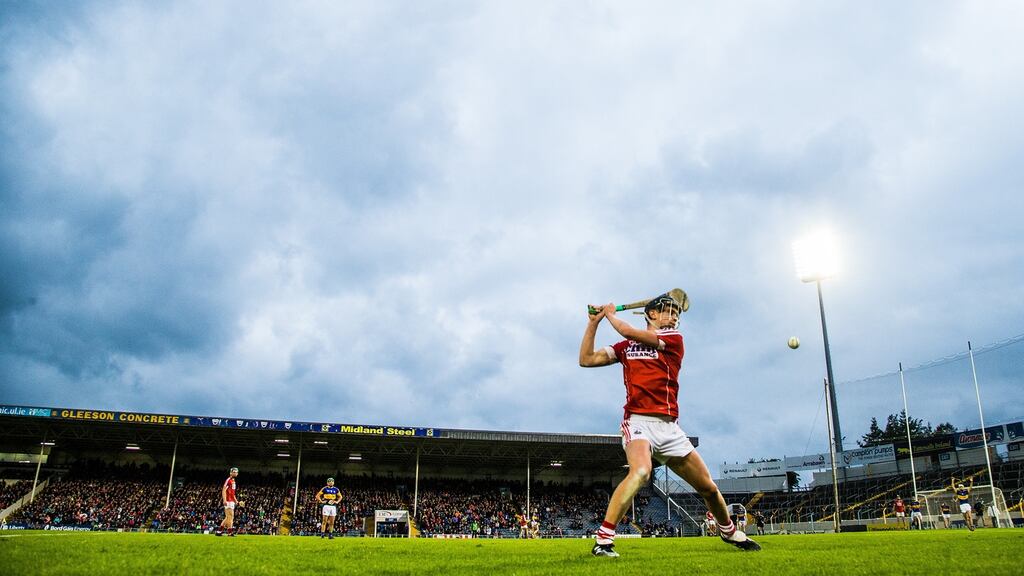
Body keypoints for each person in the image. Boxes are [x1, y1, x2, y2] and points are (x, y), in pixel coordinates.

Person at [580, 292, 760, 557]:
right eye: (668, 311)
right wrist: (593, 323)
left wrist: (608, 313)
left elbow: (629, 331)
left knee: (708, 487)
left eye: (676, 313)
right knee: (641, 472)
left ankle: (728, 530)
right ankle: (604, 540)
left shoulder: (673, 339)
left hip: (670, 428)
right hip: (638, 422)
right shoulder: (625, 348)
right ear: (651, 314)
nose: (674, 317)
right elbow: (586, 359)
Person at [216, 467, 243, 536]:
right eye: (234, 472)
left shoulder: (233, 481)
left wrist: (237, 502)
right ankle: (230, 532)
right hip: (228, 500)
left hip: (231, 501)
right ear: (231, 473)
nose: (236, 473)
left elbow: (233, 494)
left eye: (236, 472)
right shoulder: (228, 480)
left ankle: (219, 532)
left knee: (228, 517)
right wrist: (224, 500)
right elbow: (223, 490)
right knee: (231, 516)